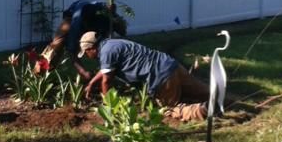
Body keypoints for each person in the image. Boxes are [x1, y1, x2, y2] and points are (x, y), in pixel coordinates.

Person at [78, 32, 209, 122]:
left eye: (85, 53)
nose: (86, 56)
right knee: (203, 92)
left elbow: (106, 81)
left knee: (167, 110)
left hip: (160, 76)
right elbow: (105, 70)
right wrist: (91, 83)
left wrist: (110, 106)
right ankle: (225, 100)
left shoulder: (106, 53)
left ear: (91, 48)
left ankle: (202, 110)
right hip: (170, 64)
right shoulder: (111, 44)